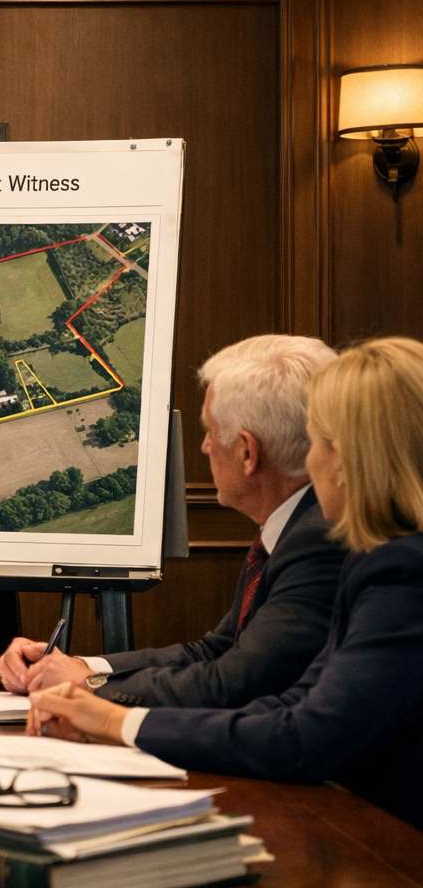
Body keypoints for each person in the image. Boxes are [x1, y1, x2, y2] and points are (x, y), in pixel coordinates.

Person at [27, 337, 423, 829]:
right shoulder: (385, 558)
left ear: (348, 461)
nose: (309, 458)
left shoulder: (400, 571)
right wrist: (97, 696)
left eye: (317, 440)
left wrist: (111, 719)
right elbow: (292, 704)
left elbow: (302, 738)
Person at [0, 335, 345, 708]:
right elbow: (214, 652)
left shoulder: (317, 539)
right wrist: (80, 666)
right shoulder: (292, 526)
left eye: (210, 432)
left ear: (248, 453)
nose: (204, 447)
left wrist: (91, 686)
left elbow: (233, 684)